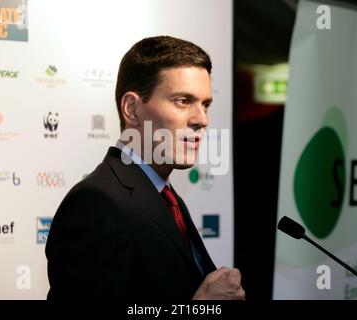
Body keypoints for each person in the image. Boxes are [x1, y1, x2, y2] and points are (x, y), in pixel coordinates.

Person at [45, 35, 245, 301]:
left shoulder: (165, 196)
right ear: (132, 109)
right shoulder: (96, 203)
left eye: (205, 104)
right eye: (183, 101)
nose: (202, 119)